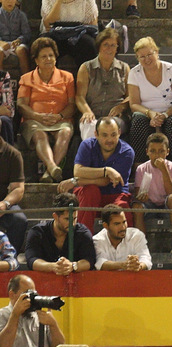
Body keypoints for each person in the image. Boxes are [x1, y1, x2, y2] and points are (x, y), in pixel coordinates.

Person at [58, 117, 135, 233]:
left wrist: (75, 181)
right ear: (96, 134)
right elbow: (78, 171)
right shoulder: (87, 145)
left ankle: (124, 249)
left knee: (122, 208)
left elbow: (105, 181)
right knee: (91, 191)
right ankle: (82, 240)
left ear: (119, 133)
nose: (109, 139)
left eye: (113, 134)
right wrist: (107, 170)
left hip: (115, 194)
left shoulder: (127, 152)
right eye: (104, 135)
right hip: (89, 196)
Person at [17, 37, 75, 183]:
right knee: (39, 135)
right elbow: (21, 105)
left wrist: (59, 116)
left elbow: (72, 105)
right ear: (36, 60)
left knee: (65, 132)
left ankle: (49, 172)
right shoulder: (26, 78)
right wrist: (38, 116)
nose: (48, 59)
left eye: (51, 55)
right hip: (34, 121)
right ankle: (52, 166)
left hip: (60, 119)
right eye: (43, 56)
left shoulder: (67, 77)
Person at [128, 36, 172, 167]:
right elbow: (134, 104)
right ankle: (139, 167)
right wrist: (150, 114)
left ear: (157, 52)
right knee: (138, 121)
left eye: (150, 54)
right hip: (146, 113)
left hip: (171, 112)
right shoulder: (134, 73)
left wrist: (164, 115)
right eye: (142, 57)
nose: (147, 59)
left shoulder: (171, 69)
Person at [76, 27, 130, 140]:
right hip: (93, 114)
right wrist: (87, 112)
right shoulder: (86, 68)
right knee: (90, 125)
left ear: (117, 48)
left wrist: (122, 106)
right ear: (99, 46)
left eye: (113, 45)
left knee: (109, 127)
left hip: (116, 118)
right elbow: (80, 97)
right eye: (106, 44)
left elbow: (131, 96)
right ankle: (92, 157)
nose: (109, 48)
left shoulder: (124, 68)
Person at [25, 192, 96, 273]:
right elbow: (32, 260)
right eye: (67, 219)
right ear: (55, 216)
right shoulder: (38, 232)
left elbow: (90, 260)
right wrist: (53, 267)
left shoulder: (82, 233)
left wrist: (73, 266)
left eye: (74, 218)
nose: (72, 223)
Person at [132, 132, 172, 245]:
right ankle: (141, 245)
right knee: (137, 207)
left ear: (167, 152)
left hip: (167, 205)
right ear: (147, 152)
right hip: (149, 204)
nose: (157, 155)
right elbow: (138, 195)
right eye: (153, 151)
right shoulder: (141, 168)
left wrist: (164, 169)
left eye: (161, 151)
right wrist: (142, 197)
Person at [40, 0, 98, 68]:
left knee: (89, 44)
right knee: (44, 44)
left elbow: (92, 25)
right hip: (56, 34)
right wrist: (59, 1)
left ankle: (85, 78)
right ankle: (49, 79)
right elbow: (48, 24)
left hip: (78, 35)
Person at [0, 274, 65, 347]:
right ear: (12, 294)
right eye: (28, 293)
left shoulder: (40, 316)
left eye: (34, 294)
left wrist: (53, 325)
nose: (31, 298)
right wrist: (15, 315)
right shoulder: (2, 315)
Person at [93, 204, 152, 271]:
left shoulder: (136, 235)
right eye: (117, 224)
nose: (123, 227)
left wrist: (138, 266)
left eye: (124, 222)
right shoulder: (98, 240)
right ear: (106, 225)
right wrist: (124, 265)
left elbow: (146, 259)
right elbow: (100, 263)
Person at [0, 135, 27, 253]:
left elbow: (18, 189)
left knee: (19, 219)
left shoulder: (12, 154)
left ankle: (10, 260)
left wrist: (4, 204)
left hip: (3, 201)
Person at [0, 0, 31, 75]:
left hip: (17, 44)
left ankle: (25, 81)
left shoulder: (21, 15)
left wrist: (19, 40)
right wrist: (1, 42)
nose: (10, 1)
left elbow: (27, 34)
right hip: (2, 43)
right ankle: (1, 82)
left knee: (21, 50)